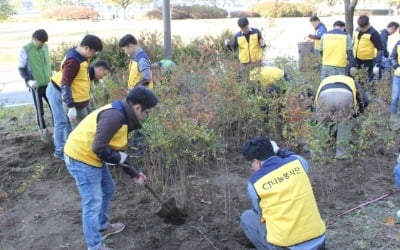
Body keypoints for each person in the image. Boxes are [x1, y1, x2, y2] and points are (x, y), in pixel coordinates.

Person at [63, 86, 158, 250]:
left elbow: (117, 149)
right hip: (80, 157)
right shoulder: (114, 116)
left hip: (92, 156)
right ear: (137, 108)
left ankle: (102, 226)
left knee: (108, 189)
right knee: (92, 202)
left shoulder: (125, 115)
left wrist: (134, 174)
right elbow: (99, 148)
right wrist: (117, 157)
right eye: (147, 112)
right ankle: (95, 246)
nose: (147, 116)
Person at [240, 136, 326, 249]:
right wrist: (279, 151)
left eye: (251, 163)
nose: (252, 167)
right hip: (319, 240)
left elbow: (261, 214)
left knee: (248, 217)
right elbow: (290, 155)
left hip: (287, 246)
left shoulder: (254, 184)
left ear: (256, 162)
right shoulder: (298, 163)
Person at [47, 34, 103, 160]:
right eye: (94, 52)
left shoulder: (82, 57)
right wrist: (71, 106)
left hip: (67, 92)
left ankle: (67, 149)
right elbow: (65, 84)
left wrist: (88, 95)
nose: (94, 55)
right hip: (58, 91)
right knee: (62, 122)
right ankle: (60, 151)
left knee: (67, 123)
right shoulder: (73, 61)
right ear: (87, 48)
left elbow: (81, 79)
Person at [315, 75, 369, 159]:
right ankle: (341, 154)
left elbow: (316, 102)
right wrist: (354, 114)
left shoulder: (325, 80)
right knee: (344, 124)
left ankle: (317, 152)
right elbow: (365, 101)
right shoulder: (352, 81)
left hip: (324, 95)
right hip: (345, 96)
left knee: (321, 124)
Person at [18, 29, 52, 143]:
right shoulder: (26, 49)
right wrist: (28, 80)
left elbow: (47, 64)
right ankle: (44, 132)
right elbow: (21, 68)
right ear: (35, 39)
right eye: (41, 42)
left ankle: (57, 130)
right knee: (39, 110)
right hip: (36, 85)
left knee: (54, 107)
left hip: (48, 83)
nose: (42, 44)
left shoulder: (45, 48)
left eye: (44, 42)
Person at [225, 17, 266, 81]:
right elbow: (233, 49)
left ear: (248, 24)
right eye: (242, 28)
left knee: (259, 79)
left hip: (256, 61)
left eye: (245, 27)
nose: (244, 29)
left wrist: (263, 45)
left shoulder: (256, 32)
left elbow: (263, 45)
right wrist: (227, 44)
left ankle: (258, 90)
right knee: (246, 79)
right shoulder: (237, 36)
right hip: (244, 63)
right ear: (240, 27)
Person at [353, 15, 383, 83]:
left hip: (369, 61)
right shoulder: (357, 30)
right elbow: (354, 43)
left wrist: (377, 64)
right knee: (358, 80)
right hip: (357, 60)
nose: (361, 29)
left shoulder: (374, 33)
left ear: (368, 24)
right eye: (360, 27)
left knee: (368, 81)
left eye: (363, 27)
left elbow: (380, 49)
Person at [389, 38, 400, 129]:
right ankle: (393, 121)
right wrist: (396, 66)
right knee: (395, 98)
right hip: (398, 76)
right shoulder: (398, 43)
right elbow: (392, 57)